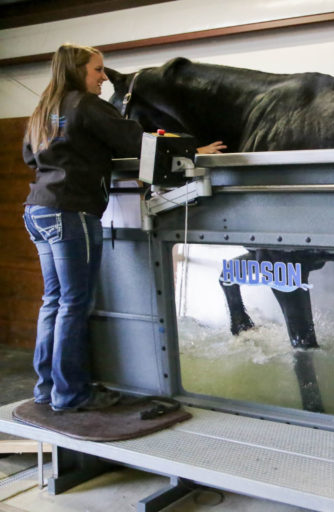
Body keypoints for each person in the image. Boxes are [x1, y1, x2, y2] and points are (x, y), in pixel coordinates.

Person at [22, 43, 224, 412]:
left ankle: (46, 388)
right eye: (97, 70)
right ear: (77, 71)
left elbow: (29, 156)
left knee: (53, 302)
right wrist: (195, 152)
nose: (103, 78)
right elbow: (137, 141)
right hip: (71, 211)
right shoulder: (86, 105)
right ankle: (70, 395)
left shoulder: (43, 110)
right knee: (74, 303)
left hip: (37, 209)